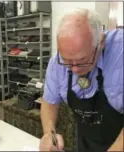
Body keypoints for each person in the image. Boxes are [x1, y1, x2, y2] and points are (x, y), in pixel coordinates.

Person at [39, 8, 123, 152]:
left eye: (82, 60)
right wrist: (49, 134)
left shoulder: (120, 52)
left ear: (101, 42)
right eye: (67, 61)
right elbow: (49, 102)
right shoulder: (56, 63)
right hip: (86, 143)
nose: (75, 69)